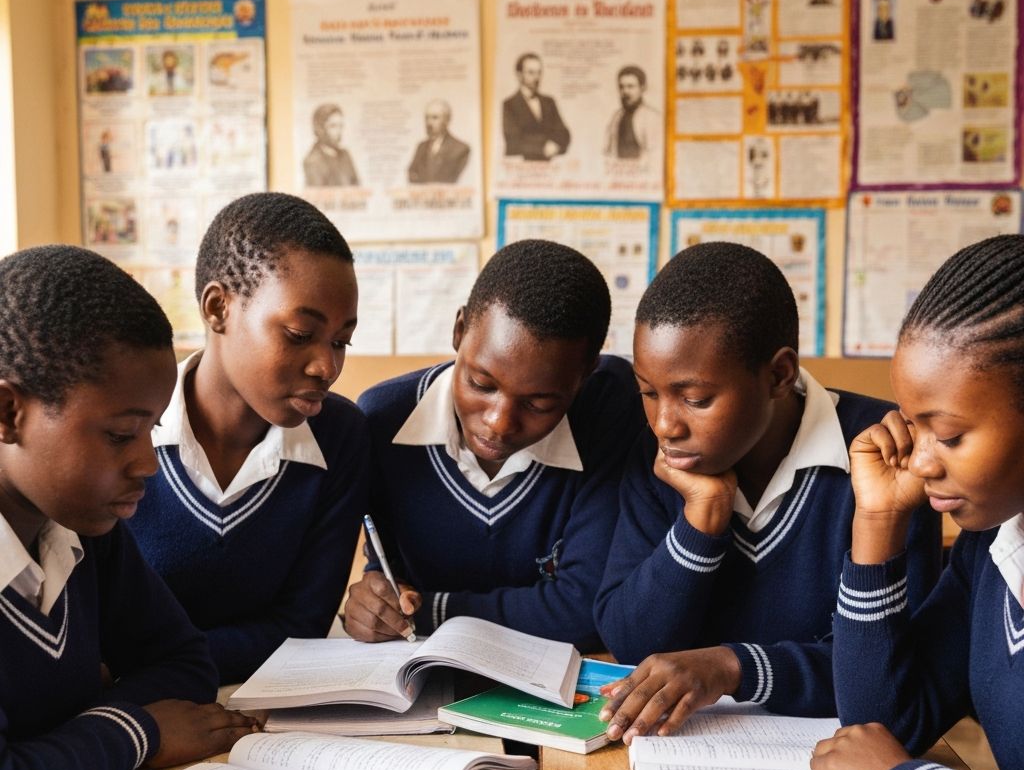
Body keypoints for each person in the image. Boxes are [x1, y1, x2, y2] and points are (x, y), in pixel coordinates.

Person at [595, 242, 941, 742]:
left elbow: (896, 665)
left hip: (837, 754)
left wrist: (734, 665)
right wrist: (702, 519)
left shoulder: (886, 456)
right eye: (648, 392)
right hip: (689, 752)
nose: (665, 424)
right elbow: (631, 642)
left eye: (695, 399)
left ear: (779, 374)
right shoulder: (657, 461)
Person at [0, 244, 257, 770]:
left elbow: (184, 663)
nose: (147, 462)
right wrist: (133, 730)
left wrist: (54, 759)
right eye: (120, 434)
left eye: (152, 429)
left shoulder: (83, 523)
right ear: (8, 412)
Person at [811, 234, 1024, 770]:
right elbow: (881, 724)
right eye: (916, 427)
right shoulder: (994, 548)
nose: (923, 460)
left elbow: (883, 762)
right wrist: (877, 523)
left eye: (951, 435)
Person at [343, 239, 642, 646]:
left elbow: (585, 609)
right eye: (481, 384)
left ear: (585, 373)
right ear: (460, 330)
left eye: (539, 403)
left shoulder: (609, 410)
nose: (499, 423)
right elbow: (388, 574)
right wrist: (376, 601)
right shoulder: (383, 421)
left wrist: (431, 609)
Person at [127, 192, 369, 684]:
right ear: (219, 308)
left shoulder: (340, 436)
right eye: (300, 334)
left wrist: (145, 664)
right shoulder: (123, 428)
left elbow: (301, 628)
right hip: (130, 711)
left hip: (261, 710)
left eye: (341, 340)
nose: (328, 367)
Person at [502, 53, 570, 162]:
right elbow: (513, 140)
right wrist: (544, 146)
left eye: (539, 72)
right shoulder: (509, 104)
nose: (536, 77)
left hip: (550, 168)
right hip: (520, 168)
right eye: (531, 72)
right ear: (519, 75)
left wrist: (555, 144)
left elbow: (564, 133)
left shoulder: (549, 102)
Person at [407, 100, 470, 184]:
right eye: (427, 118)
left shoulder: (460, 149)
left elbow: (453, 179)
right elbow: (411, 174)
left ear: (446, 120)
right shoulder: (421, 147)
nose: (429, 123)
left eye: (435, 118)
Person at [604, 65, 659, 160]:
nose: (625, 91)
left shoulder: (653, 117)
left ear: (642, 88)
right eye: (621, 87)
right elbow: (607, 151)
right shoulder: (616, 117)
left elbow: (655, 155)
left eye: (630, 86)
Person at [302, 103, 359, 187]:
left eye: (340, 126)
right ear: (320, 128)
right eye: (333, 126)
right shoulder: (312, 161)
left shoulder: (345, 155)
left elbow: (357, 187)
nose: (338, 132)